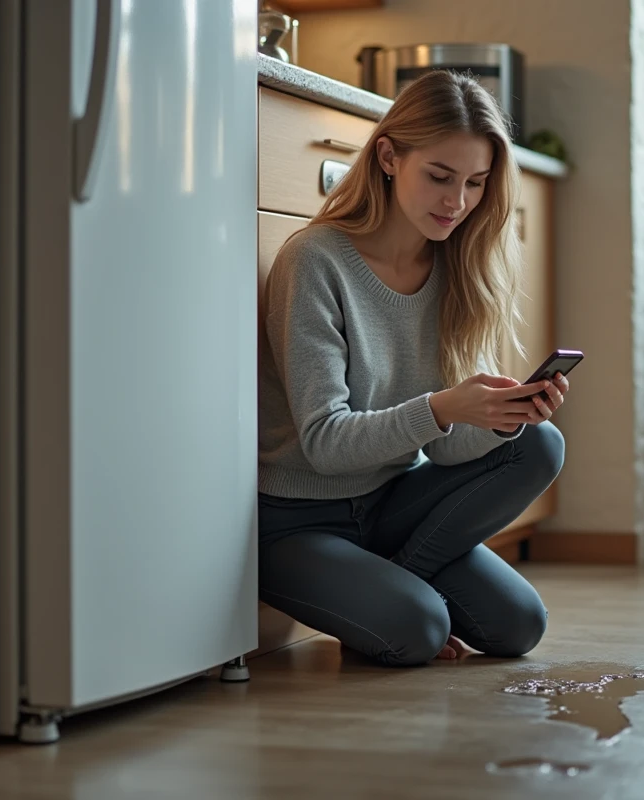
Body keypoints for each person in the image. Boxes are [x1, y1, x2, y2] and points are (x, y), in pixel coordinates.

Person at [257, 69, 570, 667]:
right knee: (417, 631)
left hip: (391, 503)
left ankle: (402, 580)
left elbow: (450, 452)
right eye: (440, 176)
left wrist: (500, 418)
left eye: (476, 183)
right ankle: (404, 596)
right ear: (388, 157)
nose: (457, 202)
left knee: (519, 618)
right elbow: (324, 443)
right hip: (298, 522)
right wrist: (443, 408)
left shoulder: (459, 271)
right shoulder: (316, 261)